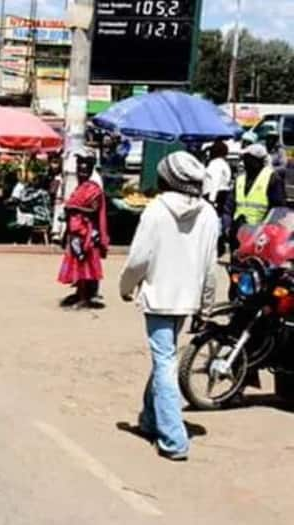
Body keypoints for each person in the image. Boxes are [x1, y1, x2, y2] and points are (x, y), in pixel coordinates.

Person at [119, 151, 220, 462]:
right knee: (165, 357)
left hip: (159, 297)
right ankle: (151, 420)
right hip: (186, 300)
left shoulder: (155, 211)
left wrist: (125, 287)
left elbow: (138, 259)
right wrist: (205, 305)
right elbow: (210, 266)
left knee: (165, 362)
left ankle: (174, 439)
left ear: (167, 180)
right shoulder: (209, 214)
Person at [57, 152, 109, 309]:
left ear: (91, 170)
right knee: (76, 263)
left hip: (88, 232)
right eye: (80, 169)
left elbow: (94, 210)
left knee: (85, 264)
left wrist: (73, 208)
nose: (82, 172)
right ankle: (78, 293)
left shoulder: (94, 189)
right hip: (75, 230)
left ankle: (85, 297)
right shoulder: (79, 188)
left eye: (85, 170)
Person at [221, 144, 287, 245]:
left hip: (258, 238)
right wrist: (227, 227)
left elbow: (278, 211)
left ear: (257, 161)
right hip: (237, 235)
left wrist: (266, 234)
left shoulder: (272, 179)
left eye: (247, 158)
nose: (244, 162)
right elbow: (228, 207)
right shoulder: (240, 179)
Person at [203, 140, 232, 209]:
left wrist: (211, 200)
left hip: (213, 195)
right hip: (222, 194)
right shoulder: (224, 164)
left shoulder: (215, 164)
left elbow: (215, 181)